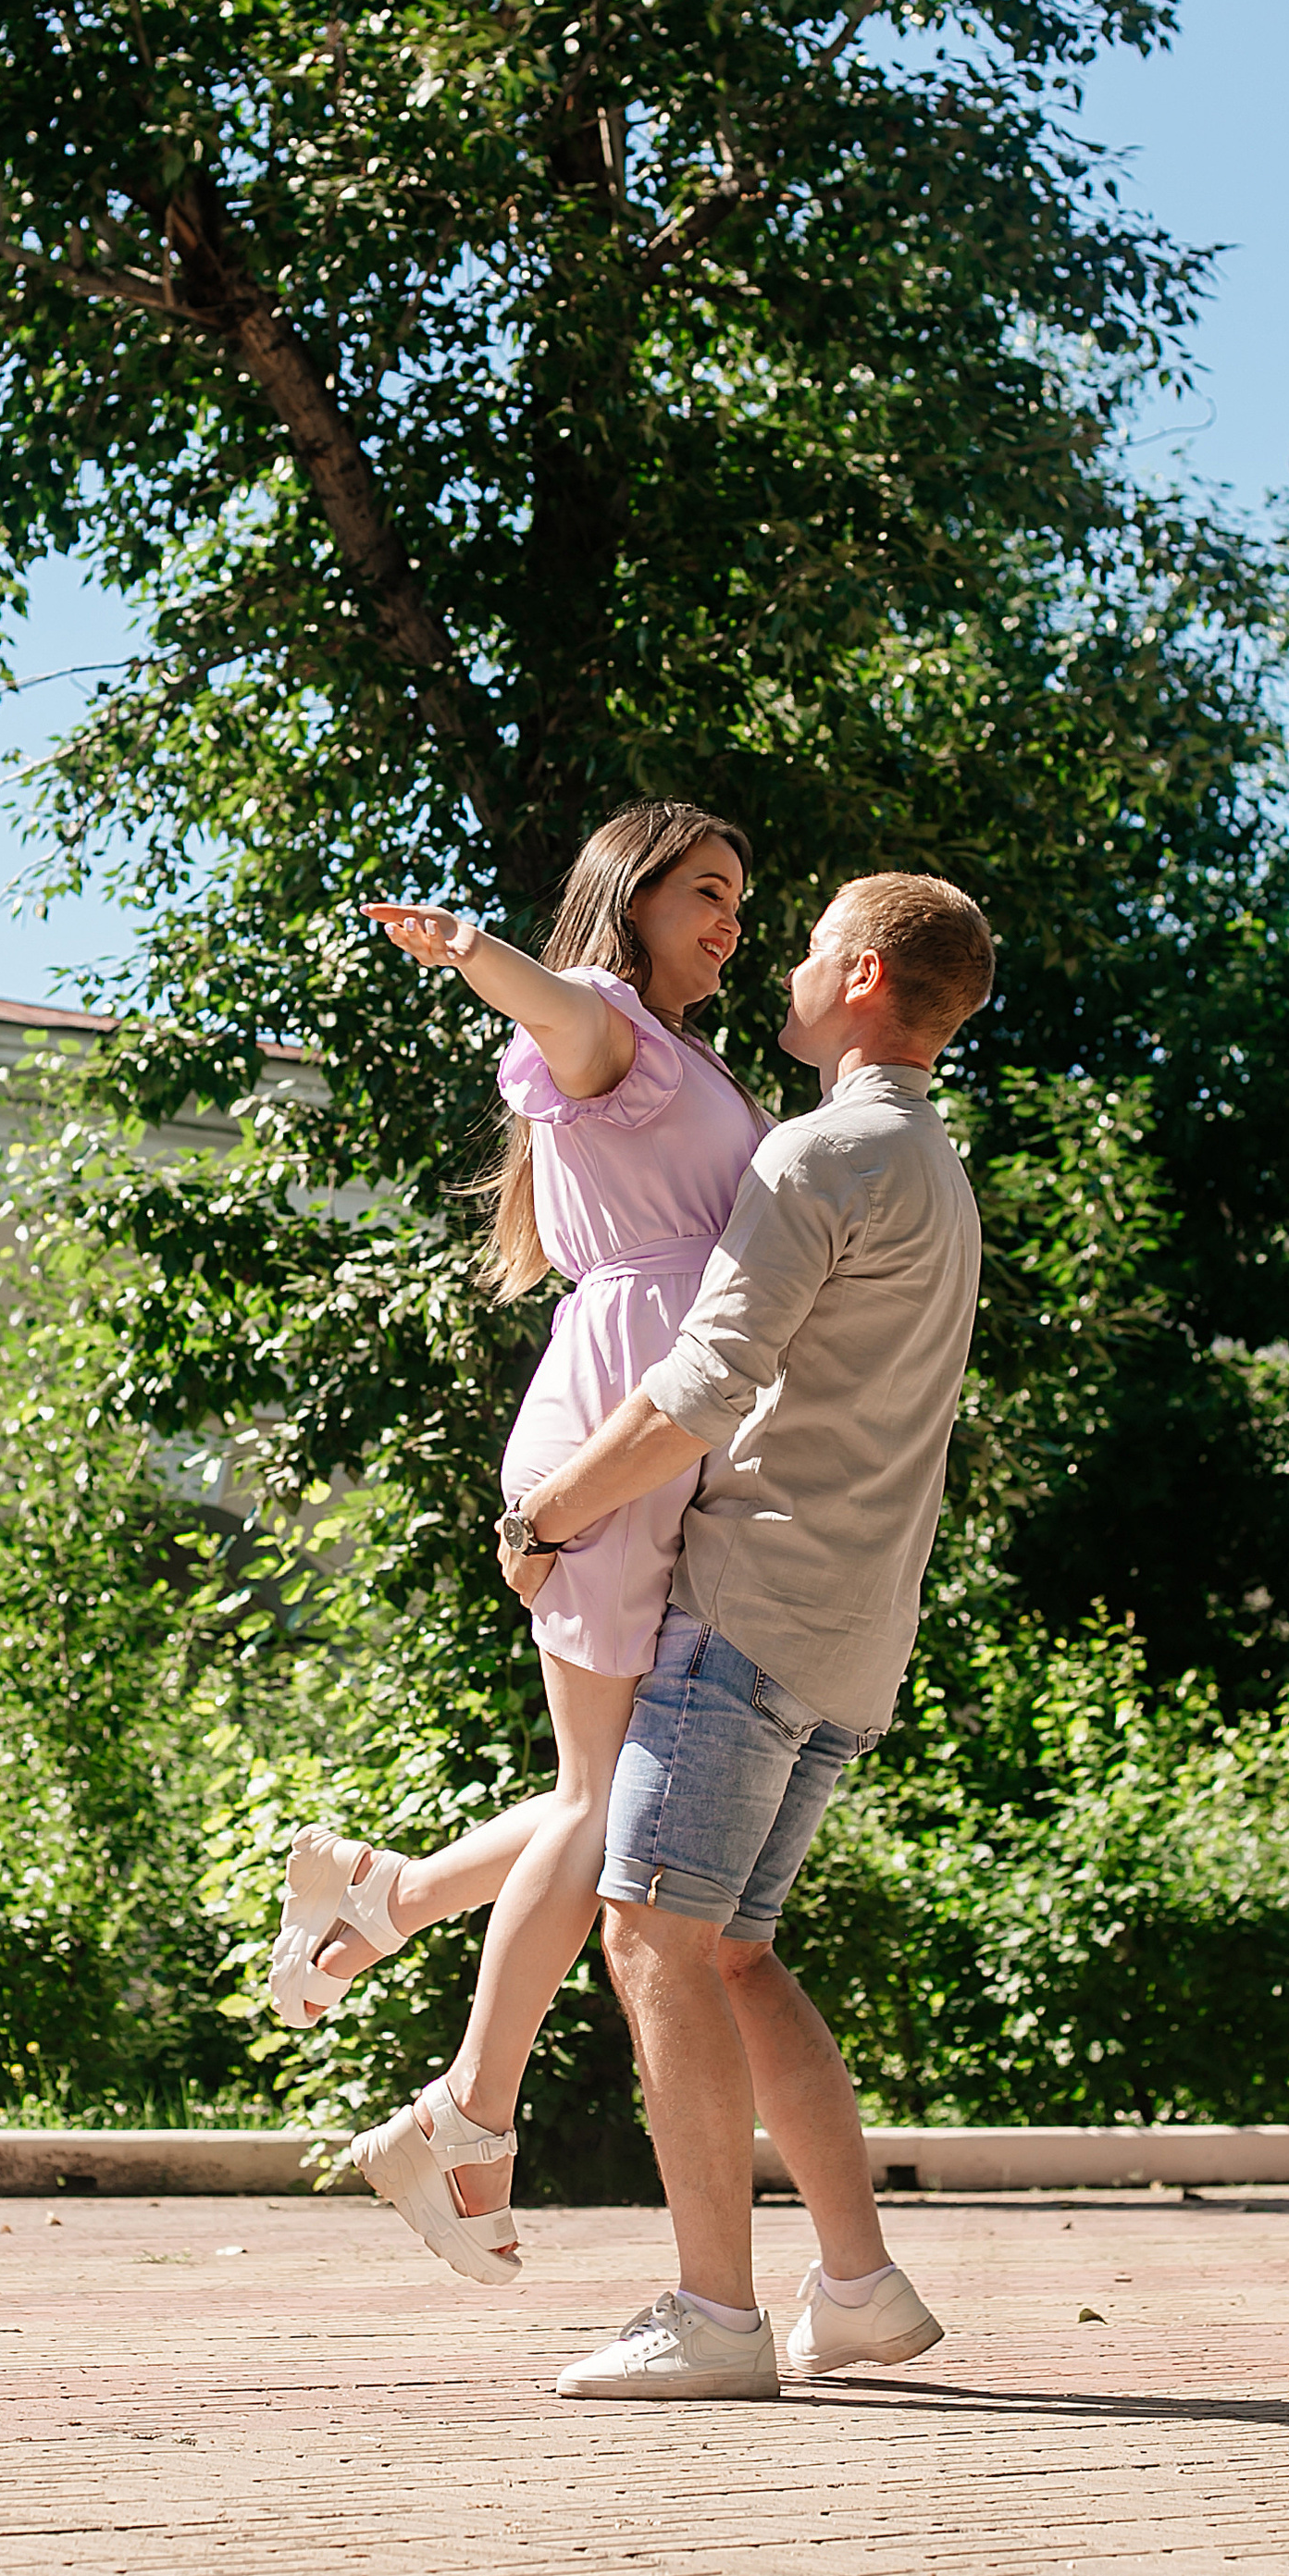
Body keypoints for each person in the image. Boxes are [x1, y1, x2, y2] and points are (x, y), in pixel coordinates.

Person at [495, 872, 994, 2400]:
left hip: (751, 1619)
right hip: (854, 1637)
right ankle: (861, 2289)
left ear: (861, 977)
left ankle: (716, 2315)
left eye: (809, 945)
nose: (783, 964)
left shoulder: (820, 1149)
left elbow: (704, 1386)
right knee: (735, 1951)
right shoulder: (935, 1166)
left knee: (650, 1934)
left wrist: (547, 1516)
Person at [265, 799, 765, 2283]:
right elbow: (553, 1004)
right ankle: (462, 2115)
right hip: (614, 1432)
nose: (731, 921)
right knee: (602, 1804)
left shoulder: (686, 1056)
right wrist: (469, 947)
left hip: (654, 1432)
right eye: (706, 890)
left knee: (593, 1793)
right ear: (633, 896)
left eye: (740, 899)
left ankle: (384, 1902)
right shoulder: (607, 1020)